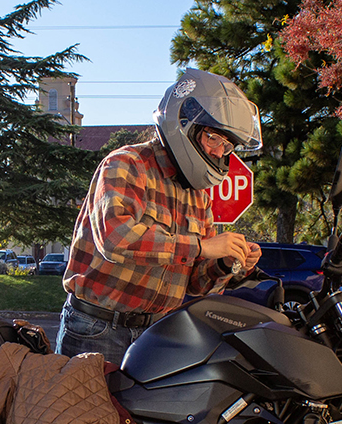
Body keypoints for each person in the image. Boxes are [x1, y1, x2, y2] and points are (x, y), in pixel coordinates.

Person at [55, 68, 263, 366]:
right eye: (214, 138)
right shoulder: (127, 164)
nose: (219, 153)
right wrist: (202, 247)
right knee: (82, 400)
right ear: (184, 124)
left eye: (227, 146)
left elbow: (196, 284)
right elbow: (115, 239)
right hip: (97, 328)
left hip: (157, 332)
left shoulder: (199, 197)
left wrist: (225, 262)